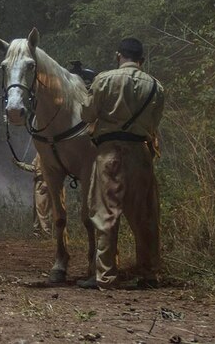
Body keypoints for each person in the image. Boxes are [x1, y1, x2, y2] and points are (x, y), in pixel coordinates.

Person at [78, 38, 165, 290]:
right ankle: (148, 274)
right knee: (145, 215)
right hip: (141, 152)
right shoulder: (156, 87)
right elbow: (153, 123)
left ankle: (105, 276)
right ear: (142, 60)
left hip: (110, 152)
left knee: (106, 213)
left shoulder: (104, 80)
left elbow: (86, 114)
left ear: (119, 56)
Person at [13, 155, 53, 237]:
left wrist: (46, 182)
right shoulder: (39, 153)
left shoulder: (49, 152)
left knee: (43, 209)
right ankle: (37, 233)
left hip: (44, 182)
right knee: (37, 208)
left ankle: (47, 233)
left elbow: (52, 169)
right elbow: (33, 168)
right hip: (38, 182)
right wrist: (19, 164)